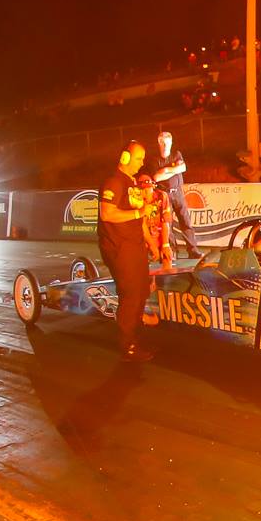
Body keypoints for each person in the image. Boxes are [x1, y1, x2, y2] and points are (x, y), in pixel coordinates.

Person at [98, 143, 155, 362]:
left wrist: (151, 242)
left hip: (135, 246)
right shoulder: (113, 181)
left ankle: (135, 337)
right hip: (119, 247)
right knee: (130, 294)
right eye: (139, 158)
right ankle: (127, 346)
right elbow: (107, 213)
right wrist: (139, 212)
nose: (142, 163)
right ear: (125, 158)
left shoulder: (132, 183)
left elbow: (139, 218)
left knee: (141, 292)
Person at [152, 130, 198, 258]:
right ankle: (172, 252)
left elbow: (182, 168)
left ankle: (193, 250)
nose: (165, 146)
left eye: (167, 143)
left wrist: (166, 170)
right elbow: (156, 177)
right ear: (159, 143)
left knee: (185, 221)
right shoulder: (155, 160)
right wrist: (174, 170)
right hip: (164, 195)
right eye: (163, 143)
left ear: (171, 143)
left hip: (178, 193)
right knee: (168, 224)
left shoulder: (176, 155)